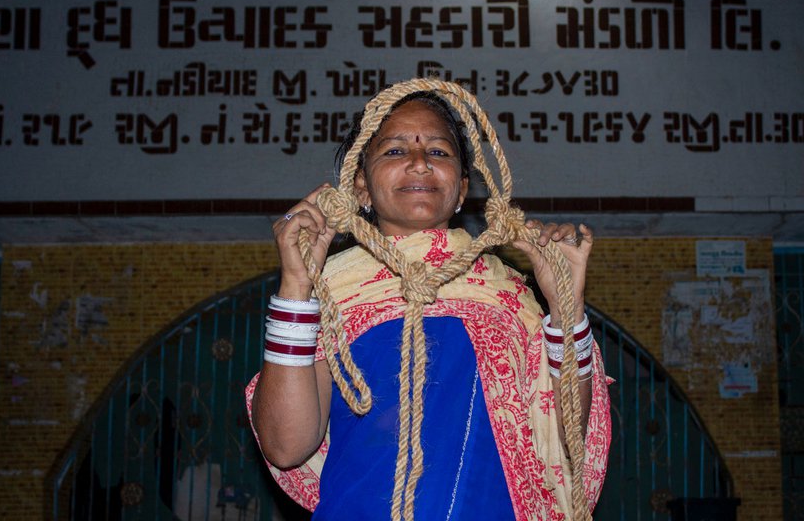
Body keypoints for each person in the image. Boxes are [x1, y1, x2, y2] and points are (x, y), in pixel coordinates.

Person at [247, 88, 611, 520]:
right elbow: (286, 446)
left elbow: (567, 439)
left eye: (438, 151)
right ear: (360, 186)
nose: (420, 163)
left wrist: (565, 308)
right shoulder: (328, 295)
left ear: (460, 191)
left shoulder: (508, 297)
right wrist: (295, 283)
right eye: (395, 149)